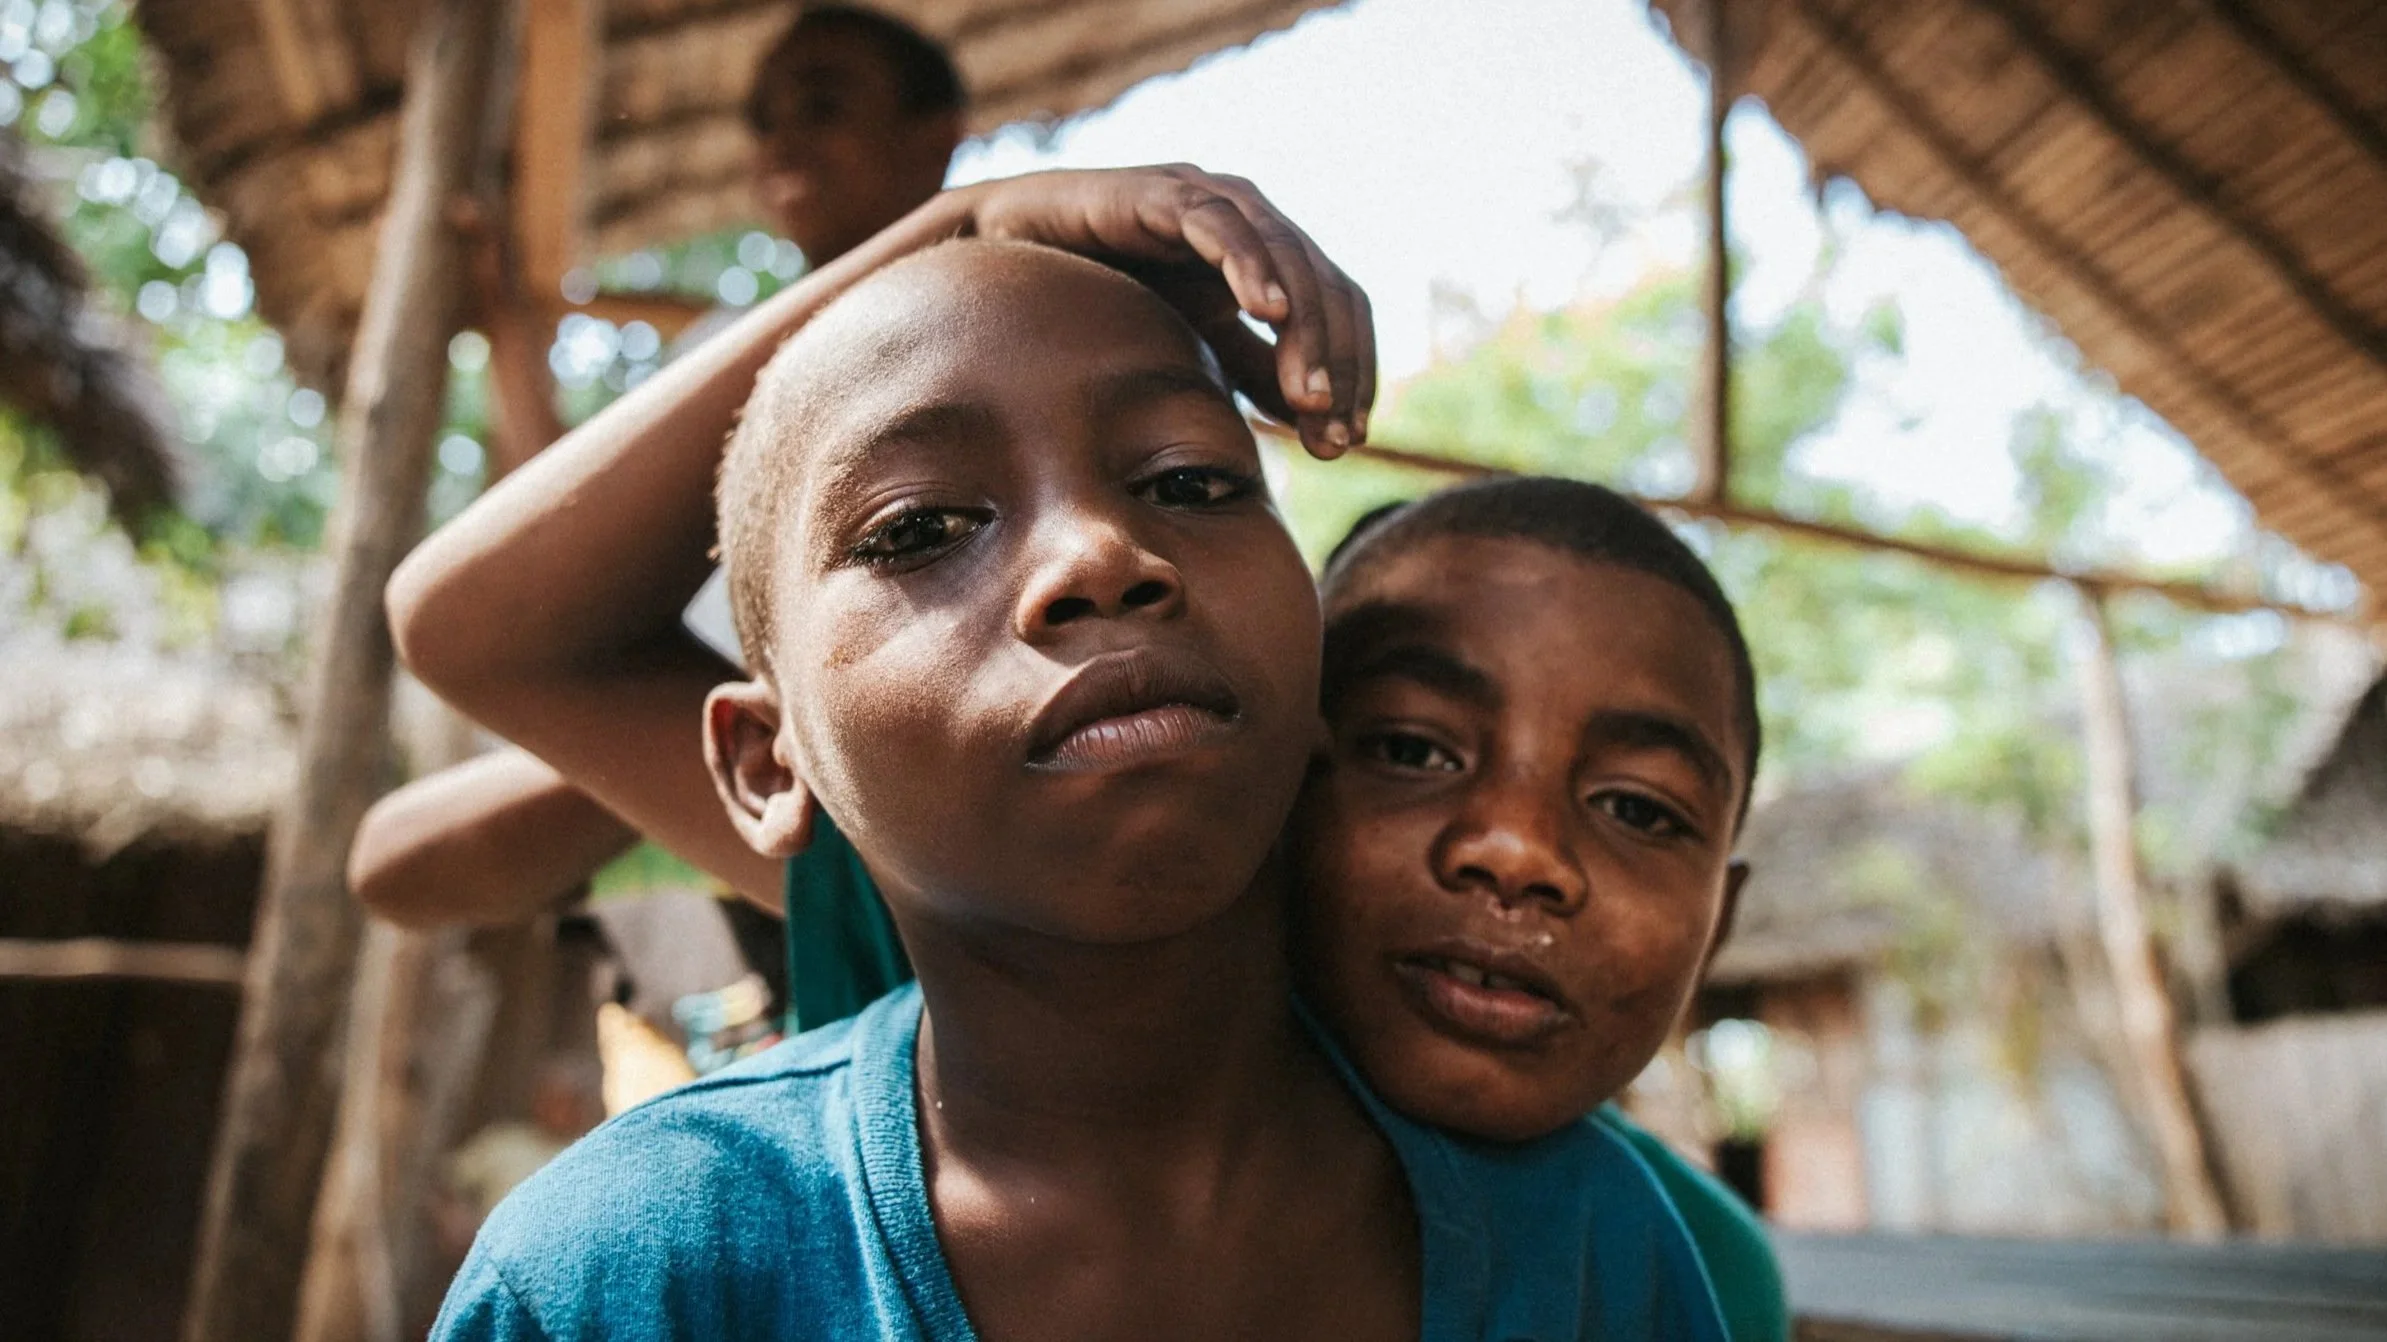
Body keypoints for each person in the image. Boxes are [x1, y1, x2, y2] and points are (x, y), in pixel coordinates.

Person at [396, 167, 1720, 1338]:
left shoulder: (1596, 1254)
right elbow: (453, 685)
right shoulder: (635, 1272)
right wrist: (959, 224)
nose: (1100, 553)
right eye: (917, 528)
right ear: (765, 760)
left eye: (1194, 482)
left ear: (1315, 676)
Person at [350, 2, 970, 934]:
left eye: (822, 102)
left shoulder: (985, 323)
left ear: (935, 136)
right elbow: (559, 512)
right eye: (763, 120)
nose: (783, 139)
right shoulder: (731, 353)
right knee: (397, 857)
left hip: (879, 765)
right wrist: (510, 330)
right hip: (739, 737)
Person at [1296, 479, 1787, 1342]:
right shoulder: (1058, 1128)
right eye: (1412, 749)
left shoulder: (1687, 1270)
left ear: (1719, 926)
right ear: (1270, 779)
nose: (1519, 850)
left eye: (1637, 808)